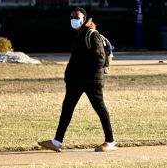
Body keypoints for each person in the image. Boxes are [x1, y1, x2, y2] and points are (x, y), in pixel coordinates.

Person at [39, 8, 117, 152]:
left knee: (100, 108)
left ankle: (110, 141)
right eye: (71, 17)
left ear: (84, 19)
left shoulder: (92, 35)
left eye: (76, 17)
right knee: (67, 108)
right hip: (77, 81)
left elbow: (99, 59)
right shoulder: (79, 35)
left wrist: (82, 73)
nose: (73, 20)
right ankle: (57, 142)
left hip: (91, 81)